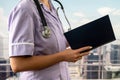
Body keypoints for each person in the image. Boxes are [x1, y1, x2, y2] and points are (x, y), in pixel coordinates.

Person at [8, 0, 92, 80]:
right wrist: (62, 56)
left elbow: (53, 41)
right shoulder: (25, 8)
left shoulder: (51, 7)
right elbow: (18, 64)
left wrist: (81, 36)